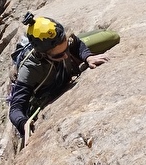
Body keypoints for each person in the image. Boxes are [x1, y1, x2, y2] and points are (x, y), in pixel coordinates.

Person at [8, 12, 111, 140]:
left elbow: (76, 43)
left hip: (65, 66)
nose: (66, 56)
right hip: (49, 87)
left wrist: (88, 57)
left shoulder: (62, 38)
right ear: (44, 54)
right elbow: (16, 108)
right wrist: (23, 123)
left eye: (65, 48)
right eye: (59, 55)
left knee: (111, 36)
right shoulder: (31, 69)